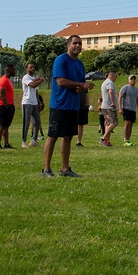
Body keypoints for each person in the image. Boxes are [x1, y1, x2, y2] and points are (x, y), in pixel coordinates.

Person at [43, 35, 94, 177]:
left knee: (68, 137)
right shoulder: (61, 60)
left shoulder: (80, 64)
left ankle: (65, 169)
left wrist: (83, 88)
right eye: (75, 43)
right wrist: (80, 85)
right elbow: (61, 81)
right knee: (53, 136)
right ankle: (46, 169)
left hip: (73, 106)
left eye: (80, 43)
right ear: (68, 45)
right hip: (60, 104)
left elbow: (81, 84)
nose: (77, 46)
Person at [21, 63, 44, 148]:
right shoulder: (26, 77)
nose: (32, 69)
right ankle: (23, 141)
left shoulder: (34, 78)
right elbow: (32, 85)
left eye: (33, 67)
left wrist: (38, 102)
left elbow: (36, 91)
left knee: (37, 122)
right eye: (30, 67)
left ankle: (34, 140)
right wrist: (40, 81)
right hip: (27, 102)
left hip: (34, 103)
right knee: (26, 122)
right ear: (27, 69)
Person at [0, 64, 16, 149]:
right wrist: (7, 106)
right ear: (9, 70)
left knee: (6, 126)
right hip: (2, 105)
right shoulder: (3, 80)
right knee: (1, 125)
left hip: (9, 105)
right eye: (14, 69)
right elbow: (2, 95)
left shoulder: (8, 80)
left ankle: (6, 143)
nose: (15, 71)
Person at [120, 74, 138, 146]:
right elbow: (120, 97)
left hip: (133, 109)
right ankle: (125, 139)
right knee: (127, 123)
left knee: (131, 124)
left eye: (134, 79)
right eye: (131, 79)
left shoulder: (136, 90)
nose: (133, 80)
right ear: (128, 80)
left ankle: (128, 139)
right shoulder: (125, 88)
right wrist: (120, 108)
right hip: (126, 108)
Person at [99, 71, 119, 148]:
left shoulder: (104, 82)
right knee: (114, 122)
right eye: (115, 77)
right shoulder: (110, 83)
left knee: (108, 123)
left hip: (105, 106)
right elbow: (110, 91)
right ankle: (103, 138)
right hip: (109, 106)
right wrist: (113, 102)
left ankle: (107, 140)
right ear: (113, 76)